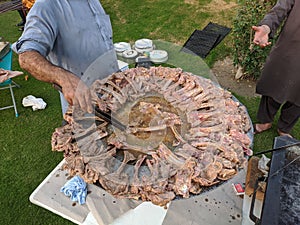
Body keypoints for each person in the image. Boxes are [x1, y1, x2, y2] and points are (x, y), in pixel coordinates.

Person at [13, 0, 119, 115]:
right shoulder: (46, 6)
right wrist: (63, 78)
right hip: (85, 108)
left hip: (116, 97)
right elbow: (27, 57)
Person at [251, 0, 300, 138]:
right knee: (274, 83)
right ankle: (265, 121)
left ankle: (284, 127)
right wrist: (266, 27)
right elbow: (279, 9)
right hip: (288, 48)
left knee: (298, 96)